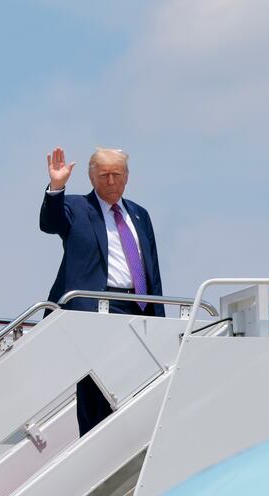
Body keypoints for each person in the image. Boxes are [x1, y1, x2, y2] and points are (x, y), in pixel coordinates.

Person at [40, 147, 164, 436]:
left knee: (136, 384)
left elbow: (152, 270)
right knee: (95, 390)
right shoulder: (76, 208)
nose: (111, 181)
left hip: (137, 306)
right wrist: (57, 186)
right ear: (92, 177)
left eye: (117, 175)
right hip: (95, 309)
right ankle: (94, 444)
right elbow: (50, 222)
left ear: (127, 177)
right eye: (104, 175)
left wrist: (160, 319)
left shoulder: (140, 214)